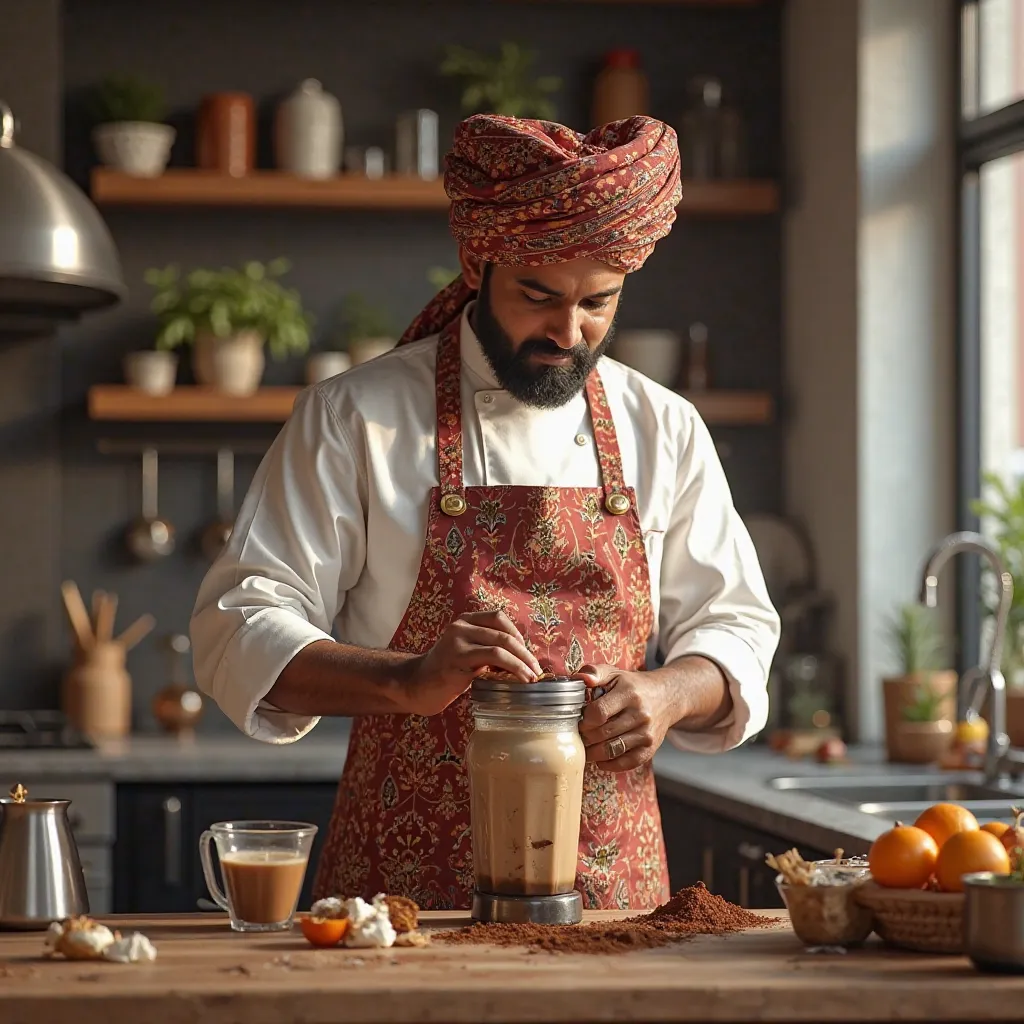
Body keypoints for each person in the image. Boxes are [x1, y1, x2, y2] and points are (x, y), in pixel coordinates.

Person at [191, 113, 780, 911]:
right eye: (538, 295)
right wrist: (407, 680)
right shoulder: (356, 416)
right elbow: (238, 624)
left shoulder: (663, 427)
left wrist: (670, 693)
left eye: (598, 304)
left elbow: (736, 625)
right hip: (399, 907)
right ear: (480, 265)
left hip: (614, 895)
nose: (568, 333)